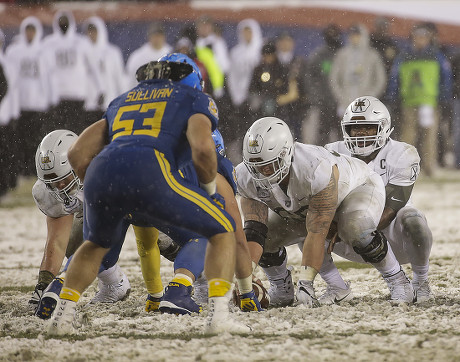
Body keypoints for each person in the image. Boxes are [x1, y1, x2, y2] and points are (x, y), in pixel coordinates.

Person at [47, 53, 250, 335]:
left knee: (95, 245)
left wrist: (97, 190)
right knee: (221, 227)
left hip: (102, 171)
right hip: (150, 169)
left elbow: (77, 153)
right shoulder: (193, 99)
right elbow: (203, 149)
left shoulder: (123, 100)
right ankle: (218, 318)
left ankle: (61, 318)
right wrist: (210, 191)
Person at [236, 116, 416, 308]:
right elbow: (254, 233)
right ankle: (282, 288)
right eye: (255, 166)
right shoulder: (244, 176)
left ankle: (398, 281)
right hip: (304, 205)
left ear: (287, 153)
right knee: (267, 237)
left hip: (358, 188)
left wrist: (306, 283)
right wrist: (244, 285)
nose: (263, 172)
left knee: (355, 226)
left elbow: (316, 233)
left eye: (269, 164)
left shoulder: (314, 168)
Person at [321, 95, 433, 304]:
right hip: (343, 235)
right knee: (302, 221)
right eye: (355, 128)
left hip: (392, 235)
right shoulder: (331, 152)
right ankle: (335, 285)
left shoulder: (403, 153)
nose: (361, 133)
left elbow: (393, 204)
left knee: (414, 219)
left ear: (383, 128)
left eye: (368, 127)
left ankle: (420, 280)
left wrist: (357, 231)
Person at [30, 130, 131, 319]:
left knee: (164, 240)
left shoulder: (104, 168)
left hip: (134, 200)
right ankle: (114, 284)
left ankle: (194, 278)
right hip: (96, 209)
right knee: (74, 242)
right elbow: (57, 241)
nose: (59, 187)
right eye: (52, 182)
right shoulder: (48, 191)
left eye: (63, 179)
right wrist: (44, 284)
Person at [387, 23, 452, 177]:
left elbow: (445, 79)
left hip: (430, 102)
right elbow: (395, 78)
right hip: (408, 102)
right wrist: (393, 97)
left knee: (429, 136)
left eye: (424, 37)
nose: (421, 40)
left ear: (429, 39)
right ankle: (405, 168)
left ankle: (429, 167)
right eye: (418, 37)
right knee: (408, 136)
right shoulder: (404, 57)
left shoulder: (436, 56)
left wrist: (443, 98)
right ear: (413, 38)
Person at [41, 10, 104, 135]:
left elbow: (93, 67)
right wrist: (46, 96)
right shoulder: (49, 43)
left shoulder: (81, 42)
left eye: (65, 22)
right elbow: (44, 72)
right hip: (58, 96)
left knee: (76, 131)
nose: (63, 24)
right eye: (61, 22)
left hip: (77, 94)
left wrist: (100, 89)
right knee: (59, 133)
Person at [5, 16, 51, 177]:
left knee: (37, 139)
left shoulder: (43, 51)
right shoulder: (15, 52)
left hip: (38, 103)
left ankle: (35, 169)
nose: (30, 33)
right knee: (21, 139)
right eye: (27, 30)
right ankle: (23, 169)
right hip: (22, 103)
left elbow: (47, 78)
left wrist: (48, 99)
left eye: (32, 30)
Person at [329, 23, 387, 119]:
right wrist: (340, 96)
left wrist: (370, 96)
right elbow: (334, 78)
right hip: (345, 101)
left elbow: (380, 79)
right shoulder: (343, 54)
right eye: (352, 35)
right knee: (345, 130)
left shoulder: (372, 55)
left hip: (365, 103)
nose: (354, 38)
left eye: (357, 35)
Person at [82, 16, 128, 123]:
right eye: (89, 32)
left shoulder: (112, 52)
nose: (91, 35)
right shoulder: (83, 53)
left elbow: (119, 78)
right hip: (89, 105)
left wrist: (124, 100)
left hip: (109, 104)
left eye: (94, 31)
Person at [304, 24, 343, 146]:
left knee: (342, 137)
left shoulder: (343, 55)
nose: (333, 37)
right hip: (325, 103)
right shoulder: (319, 55)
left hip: (341, 103)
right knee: (322, 137)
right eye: (330, 34)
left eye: (335, 34)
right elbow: (309, 76)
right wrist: (316, 96)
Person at [125, 22, 172, 89]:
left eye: (159, 35)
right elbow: (129, 81)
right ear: (149, 36)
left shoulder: (172, 54)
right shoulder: (137, 56)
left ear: (164, 37)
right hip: (143, 96)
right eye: (155, 35)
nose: (157, 38)